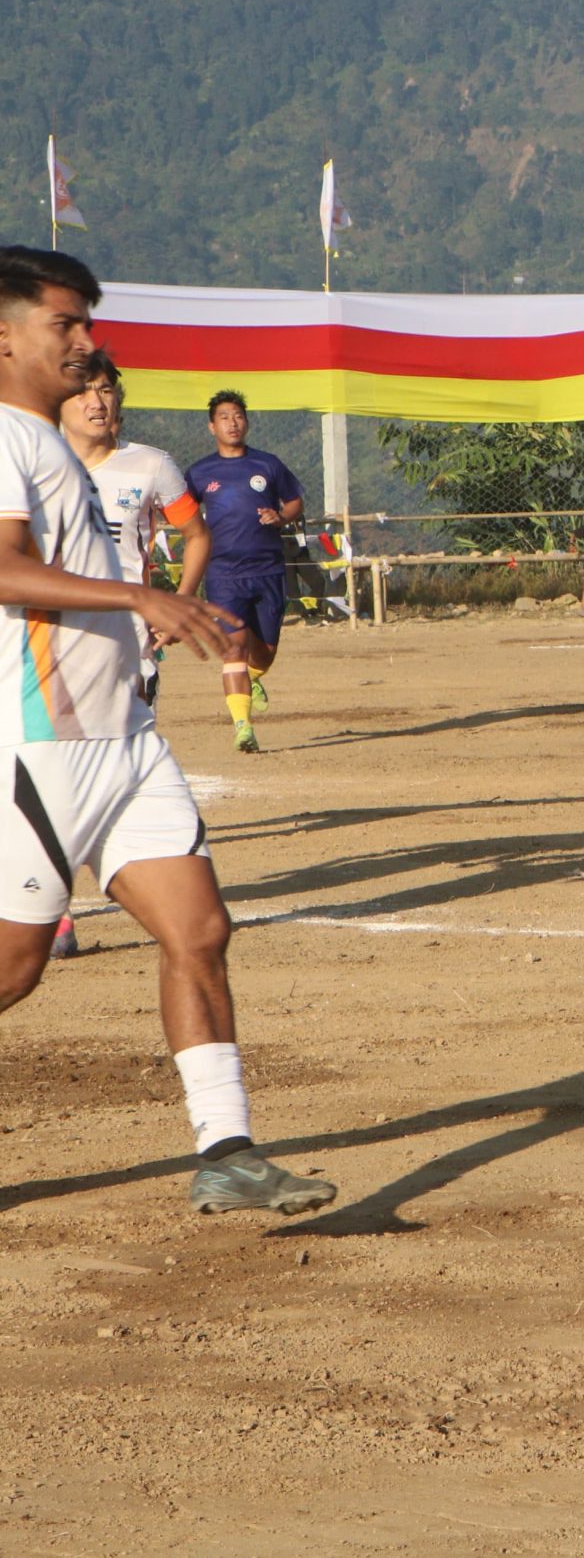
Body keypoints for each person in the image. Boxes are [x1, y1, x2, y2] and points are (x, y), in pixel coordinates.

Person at [0, 246, 335, 1216]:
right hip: (44, 742)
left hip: (127, 738)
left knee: (199, 930)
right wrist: (137, 593)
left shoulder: (54, 442)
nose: (86, 342)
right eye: (66, 323)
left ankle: (226, 1149)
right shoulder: (9, 440)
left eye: (87, 323)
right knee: (17, 964)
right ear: (7, 332)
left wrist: (152, 610)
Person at [54, 348, 209, 958]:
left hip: (128, 653)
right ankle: (56, 908)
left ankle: (149, 879)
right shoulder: (32, 465)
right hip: (46, 647)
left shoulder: (151, 467)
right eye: (84, 390)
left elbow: (195, 534)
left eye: (107, 389)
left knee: (113, 769)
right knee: (55, 768)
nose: (97, 401)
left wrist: (181, 602)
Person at [182, 390, 303, 754]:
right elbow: (183, 511)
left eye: (237, 416)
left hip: (267, 569)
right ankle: (243, 727)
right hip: (222, 573)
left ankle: (252, 677)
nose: (232, 423)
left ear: (246, 422)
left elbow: (294, 499)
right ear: (211, 426)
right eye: (224, 417)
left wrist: (281, 516)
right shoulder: (200, 472)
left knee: (264, 653)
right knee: (233, 646)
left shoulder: (268, 465)